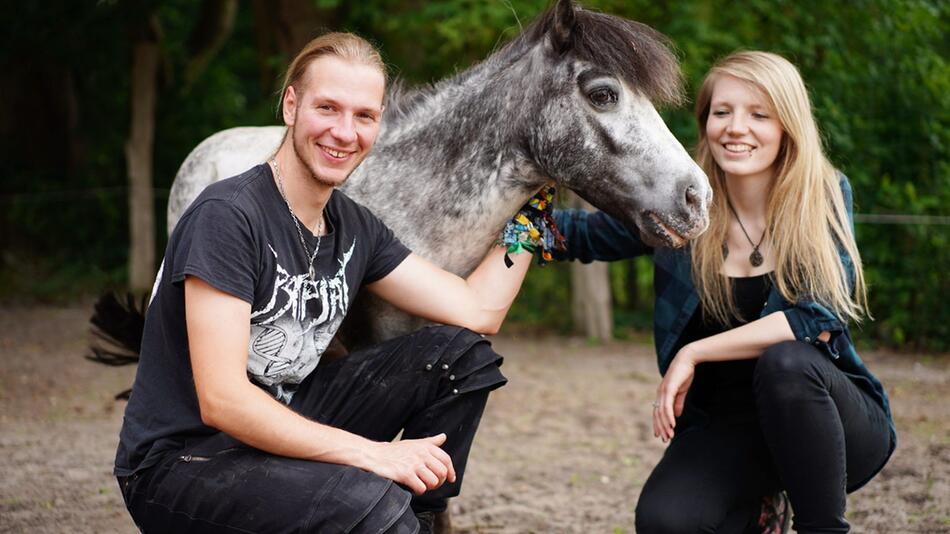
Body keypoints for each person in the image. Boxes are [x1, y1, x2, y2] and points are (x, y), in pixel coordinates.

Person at [114, 33, 533, 534]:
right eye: (327, 108)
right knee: (375, 504)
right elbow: (223, 399)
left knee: (460, 356)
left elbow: (476, 309)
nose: (344, 132)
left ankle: (417, 522)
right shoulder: (227, 216)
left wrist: (531, 219)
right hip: (185, 464)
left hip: (284, 426)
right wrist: (373, 455)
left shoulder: (354, 226)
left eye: (364, 116)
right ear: (291, 105)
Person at [554, 51, 895, 533]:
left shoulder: (822, 192)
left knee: (787, 361)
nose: (736, 127)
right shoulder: (681, 204)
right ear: (705, 122)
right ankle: (758, 509)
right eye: (722, 112)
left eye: (758, 114)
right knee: (664, 521)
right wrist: (509, 216)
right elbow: (578, 235)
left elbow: (813, 320)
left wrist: (694, 351)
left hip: (829, 424)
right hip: (727, 431)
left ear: (787, 125)